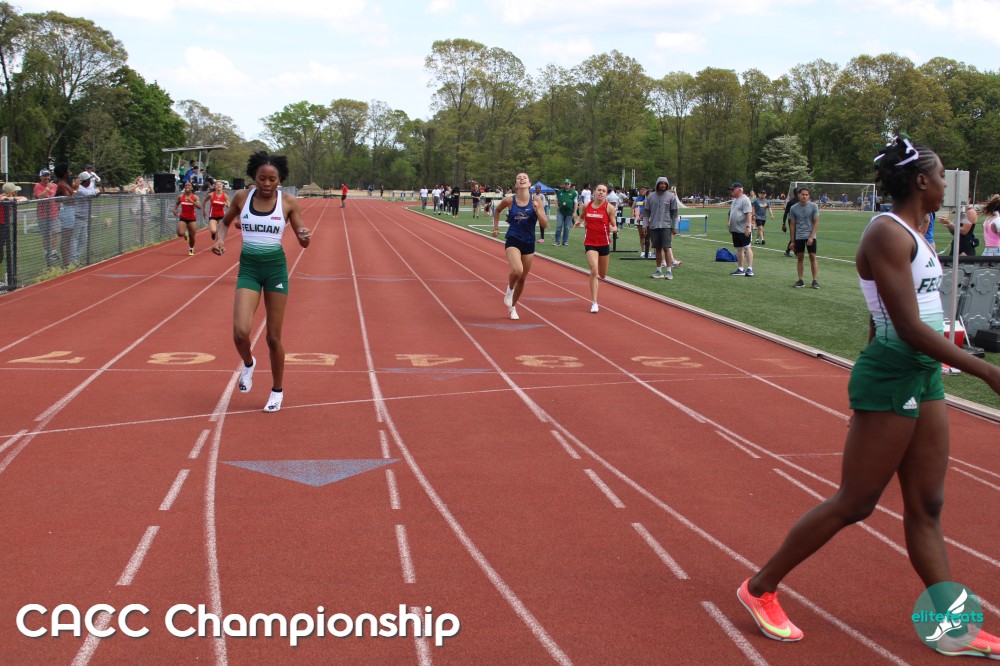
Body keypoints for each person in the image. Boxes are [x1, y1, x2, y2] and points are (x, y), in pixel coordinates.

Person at [737, 136, 1000, 659]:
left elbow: (890, 315)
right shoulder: (885, 232)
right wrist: (987, 372)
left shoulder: (918, 232)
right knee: (856, 502)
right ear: (921, 181)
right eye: (940, 175)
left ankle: (953, 626)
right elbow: (906, 325)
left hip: (921, 375)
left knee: (927, 505)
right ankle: (760, 587)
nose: (946, 184)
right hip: (894, 375)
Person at [213, 151, 311, 413]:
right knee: (240, 333)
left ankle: (277, 391)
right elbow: (224, 223)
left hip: (275, 271)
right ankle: (248, 363)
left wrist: (304, 236)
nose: (267, 184)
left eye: (272, 179)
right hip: (249, 270)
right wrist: (220, 239)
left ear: (280, 180)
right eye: (262, 179)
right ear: (254, 178)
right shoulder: (242, 198)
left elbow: (303, 240)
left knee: (273, 337)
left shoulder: (288, 202)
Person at [492, 172, 547, 321]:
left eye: (525, 178)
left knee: (522, 279)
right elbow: (497, 211)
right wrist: (496, 227)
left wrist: (537, 211)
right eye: (519, 178)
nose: (522, 179)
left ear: (529, 184)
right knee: (517, 270)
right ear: (516, 184)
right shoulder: (509, 200)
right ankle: (510, 289)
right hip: (513, 239)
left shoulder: (536, 200)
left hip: (529, 242)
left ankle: (512, 307)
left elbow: (544, 225)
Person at [572, 183, 617, 313]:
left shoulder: (609, 208)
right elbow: (582, 216)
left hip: (604, 243)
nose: (601, 192)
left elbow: (615, 226)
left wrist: (612, 229)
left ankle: (599, 280)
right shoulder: (587, 206)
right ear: (594, 192)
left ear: (606, 194)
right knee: (593, 271)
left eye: (604, 191)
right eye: (599, 190)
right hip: (590, 243)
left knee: (602, 275)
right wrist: (578, 221)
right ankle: (594, 302)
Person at [644, 177, 679, 279]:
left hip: (666, 226)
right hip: (654, 226)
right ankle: (659, 271)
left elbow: (674, 213)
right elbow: (646, 212)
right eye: (661, 183)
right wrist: (645, 225)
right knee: (657, 249)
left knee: (666, 248)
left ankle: (669, 271)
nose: (663, 185)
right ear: (657, 184)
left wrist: (675, 226)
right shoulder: (651, 197)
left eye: (665, 183)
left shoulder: (671, 197)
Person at [787, 187, 820, 288]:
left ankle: (815, 280)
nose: (804, 196)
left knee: (812, 256)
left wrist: (811, 237)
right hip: (799, 236)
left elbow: (816, 222)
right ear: (798, 195)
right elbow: (792, 225)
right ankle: (800, 280)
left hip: (810, 236)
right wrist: (792, 241)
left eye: (806, 195)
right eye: (802, 194)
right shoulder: (793, 208)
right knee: (800, 257)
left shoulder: (813, 206)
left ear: (809, 196)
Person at [0, 182, 27, 288]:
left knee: (3, 253)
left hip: (4, 226)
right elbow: (5, 199)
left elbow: (24, 198)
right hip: (1, 226)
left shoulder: (9, 198)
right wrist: (15, 198)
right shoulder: (2, 198)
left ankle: (9, 278)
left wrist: (16, 198)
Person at [72, 171, 100, 264]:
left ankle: (76, 258)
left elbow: (93, 191)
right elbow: (89, 194)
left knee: (83, 239)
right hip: (77, 216)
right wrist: (96, 191)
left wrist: (96, 191)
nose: (90, 181)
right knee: (74, 239)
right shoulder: (79, 188)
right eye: (88, 180)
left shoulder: (87, 187)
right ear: (84, 181)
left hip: (84, 217)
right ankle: (73, 260)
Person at [727, 182, 754, 276]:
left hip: (743, 229)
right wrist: (729, 222)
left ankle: (750, 269)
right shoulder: (735, 200)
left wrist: (748, 227)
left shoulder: (745, 200)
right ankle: (740, 268)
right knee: (739, 249)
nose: (731, 191)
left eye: (733, 189)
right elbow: (731, 212)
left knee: (747, 247)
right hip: (735, 229)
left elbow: (749, 213)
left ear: (739, 190)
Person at [34, 169, 60, 265]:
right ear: (40, 177)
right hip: (43, 215)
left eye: (48, 175)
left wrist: (59, 204)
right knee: (45, 235)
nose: (46, 177)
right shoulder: (38, 186)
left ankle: (53, 252)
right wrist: (48, 188)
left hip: (54, 213)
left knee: (55, 232)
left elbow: (59, 196)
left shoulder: (55, 186)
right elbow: (39, 197)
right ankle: (46, 253)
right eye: (44, 176)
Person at [53, 164, 76, 268]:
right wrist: (75, 189)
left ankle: (68, 262)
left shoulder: (64, 184)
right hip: (67, 212)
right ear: (64, 173)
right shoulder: (62, 185)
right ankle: (66, 263)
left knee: (69, 238)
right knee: (66, 238)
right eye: (68, 171)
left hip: (69, 211)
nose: (70, 173)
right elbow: (69, 199)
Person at [173, 181, 202, 255]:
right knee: (180, 233)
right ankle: (185, 234)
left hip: (192, 219)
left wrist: (192, 202)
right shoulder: (181, 196)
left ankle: (191, 249)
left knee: (192, 236)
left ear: (192, 187)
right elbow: (177, 203)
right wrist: (174, 209)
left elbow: (199, 207)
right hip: (183, 218)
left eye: (189, 185)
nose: (187, 186)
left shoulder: (195, 197)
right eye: (186, 185)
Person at [128, 176, 155, 244]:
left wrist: (149, 185)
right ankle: (136, 239)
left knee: (144, 224)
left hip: (145, 208)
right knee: (137, 224)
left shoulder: (145, 189)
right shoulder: (135, 188)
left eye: (142, 181)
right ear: (137, 181)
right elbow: (130, 190)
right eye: (140, 181)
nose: (142, 182)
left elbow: (152, 192)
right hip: (137, 208)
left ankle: (144, 238)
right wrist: (137, 185)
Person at [554, 179, 577, 247]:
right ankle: (557, 241)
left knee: (567, 227)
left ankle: (565, 241)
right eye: (566, 184)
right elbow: (556, 199)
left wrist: (575, 212)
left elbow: (576, 202)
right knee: (559, 226)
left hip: (569, 212)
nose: (567, 185)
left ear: (570, 185)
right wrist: (557, 206)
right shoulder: (560, 191)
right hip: (560, 211)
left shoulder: (574, 193)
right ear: (564, 184)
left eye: (568, 184)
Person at [781, 189, 799, 257]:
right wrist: (783, 223)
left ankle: (788, 251)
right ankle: (796, 252)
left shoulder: (801, 201)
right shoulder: (791, 202)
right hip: (792, 220)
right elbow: (785, 213)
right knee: (795, 236)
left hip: (800, 221)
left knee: (797, 236)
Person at [632, 186, 648, 257]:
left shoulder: (648, 198)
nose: (642, 191)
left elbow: (646, 209)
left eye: (644, 190)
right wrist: (633, 215)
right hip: (638, 218)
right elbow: (633, 207)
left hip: (647, 218)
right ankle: (643, 250)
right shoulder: (637, 199)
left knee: (648, 235)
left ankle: (649, 250)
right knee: (641, 234)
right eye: (641, 190)